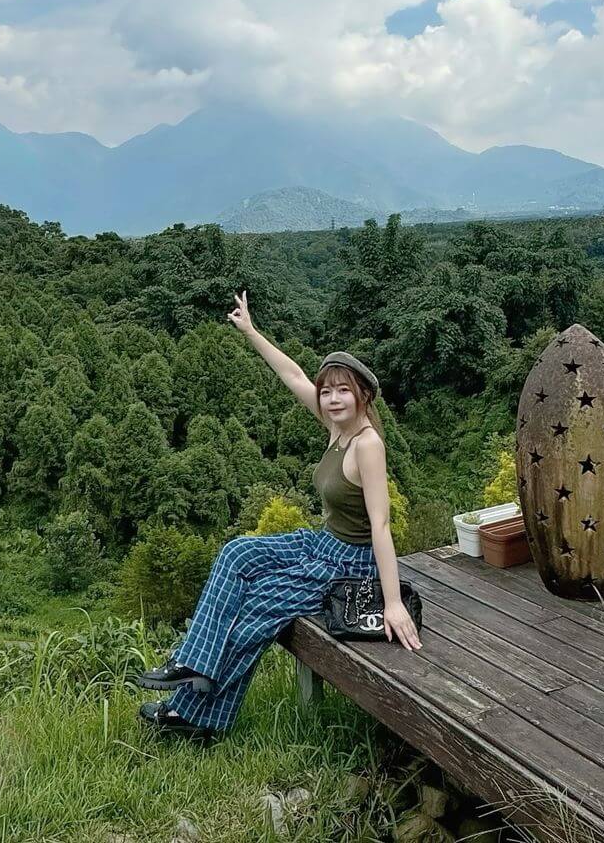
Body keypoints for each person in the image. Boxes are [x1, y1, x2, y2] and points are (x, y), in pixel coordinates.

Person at [137, 289, 422, 741]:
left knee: (257, 609)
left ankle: (197, 718)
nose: (331, 399)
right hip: (323, 542)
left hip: (350, 563)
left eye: (342, 391)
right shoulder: (336, 425)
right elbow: (291, 373)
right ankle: (193, 665)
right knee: (237, 554)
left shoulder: (368, 445)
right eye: (327, 391)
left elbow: (381, 527)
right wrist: (251, 331)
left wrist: (391, 603)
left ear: (363, 396)